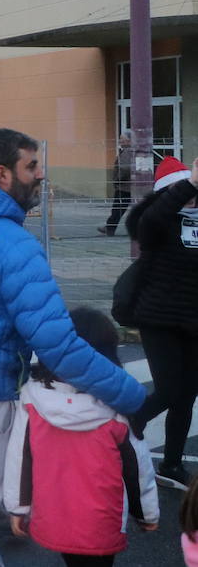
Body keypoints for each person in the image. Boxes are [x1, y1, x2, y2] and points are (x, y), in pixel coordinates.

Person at [0, 128, 146, 567]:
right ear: (2, 174)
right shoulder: (14, 244)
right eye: (31, 166)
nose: (41, 175)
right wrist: (127, 393)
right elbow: (57, 345)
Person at [2, 306, 159, 566]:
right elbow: (136, 467)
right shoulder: (117, 405)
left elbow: (19, 456)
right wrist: (146, 513)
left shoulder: (33, 398)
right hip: (101, 518)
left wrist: (18, 506)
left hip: (54, 514)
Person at [124, 155, 198, 490]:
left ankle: (170, 464)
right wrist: (190, 183)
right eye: (181, 190)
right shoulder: (156, 222)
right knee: (168, 391)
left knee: (186, 396)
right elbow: (150, 222)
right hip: (160, 319)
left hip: (193, 322)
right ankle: (124, 429)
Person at [99, 130, 134, 237]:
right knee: (120, 208)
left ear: (129, 140)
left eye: (122, 139)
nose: (120, 141)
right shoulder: (132, 150)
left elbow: (125, 168)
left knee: (117, 208)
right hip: (130, 186)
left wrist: (118, 179)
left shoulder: (127, 152)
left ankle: (110, 228)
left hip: (124, 186)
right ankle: (110, 227)